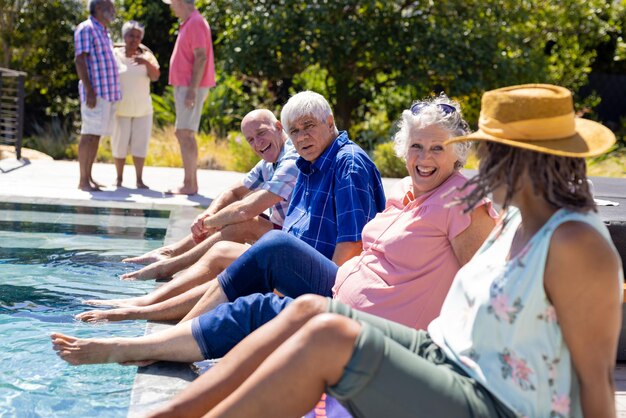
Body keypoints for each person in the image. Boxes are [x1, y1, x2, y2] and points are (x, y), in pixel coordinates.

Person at [135, 83, 622, 418]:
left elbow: (596, 380)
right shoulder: (515, 216)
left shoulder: (576, 243)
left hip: (494, 400)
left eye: (489, 150)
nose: (479, 161)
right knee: (310, 310)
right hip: (443, 356)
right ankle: (174, 413)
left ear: (527, 159)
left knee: (329, 338)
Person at [51, 95, 496, 395]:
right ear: (404, 149)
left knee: (266, 288)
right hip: (344, 294)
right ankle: (160, 337)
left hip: (372, 327)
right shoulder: (410, 192)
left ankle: (138, 347)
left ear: (457, 153)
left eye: (437, 148)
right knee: (264, 266)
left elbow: (477, 294)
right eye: (416, 146)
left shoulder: (459, 199)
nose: (424, 158)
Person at [78, 91, 385, 321]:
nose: (302, 137)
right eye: (296, 131)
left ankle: (164, 321)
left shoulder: (347, 164)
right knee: (228, 255)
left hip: (327, 282)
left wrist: (301, 287)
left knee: (258, 248)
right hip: (298, 260)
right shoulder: (311, 159)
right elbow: (240, 194)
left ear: (329, 123)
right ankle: (146, 306)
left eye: (309, 127)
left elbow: (352, 248)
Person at [83, 109, 299, 293]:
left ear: (279, 127)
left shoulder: (291, 160)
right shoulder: (270, 161)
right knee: (224, 215)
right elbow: (234, 192)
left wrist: (207, 222)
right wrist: (208, 214)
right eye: (250, 139)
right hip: (284, 233)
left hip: (300, 244)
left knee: (241, 223)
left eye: (261, 133)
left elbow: (245, 211)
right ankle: (169, 253)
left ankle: (170, 265)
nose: (257, 143)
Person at [162, 0, 215, 195]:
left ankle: (189, 184)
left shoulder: (195, 22)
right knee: (185, 133)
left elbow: (201, 57)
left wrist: (192, 89)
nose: (171, 7)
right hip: (187, 86)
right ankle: (189, 183)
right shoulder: (191, 22)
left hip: (189, 86)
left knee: (184, 133)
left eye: (172, 3)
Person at [74, 0, 120, 191]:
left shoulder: (103, 30)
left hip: (106, 94)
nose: (114, 10)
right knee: (88, 135)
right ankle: (83, 181)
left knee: (95, 136)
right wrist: (90, 91)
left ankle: (89, 178)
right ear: (99, 8)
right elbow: (80, 60)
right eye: (110, 7)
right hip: (95, 93)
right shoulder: (87, 28)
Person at [112, 20, 160, 189]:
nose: (134, 39)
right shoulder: (115, 53)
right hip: (120, 108)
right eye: (131, 35)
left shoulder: (146, 54)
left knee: (140, 145)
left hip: (143, 109)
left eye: (138, 36)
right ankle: (119, 179)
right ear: (124, 36)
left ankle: (139, 180)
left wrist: (145, 62)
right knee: (120, 144)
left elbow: (156, 76)